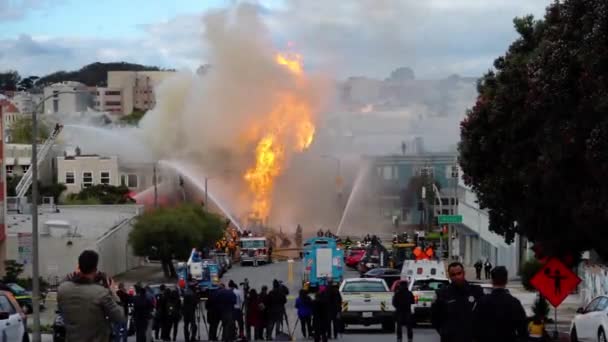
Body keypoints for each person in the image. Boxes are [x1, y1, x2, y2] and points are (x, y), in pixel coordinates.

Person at [57, 250, 125, 342]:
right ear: (95, 269)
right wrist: (113, 292)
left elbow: (61, 309)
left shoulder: (62, 290)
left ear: (79, 266)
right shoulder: (101, 293)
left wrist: (75, 277)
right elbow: (120, 317)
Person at [431, 262, 484, 342]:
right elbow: (435, 318)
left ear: (464, 273)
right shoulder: (442, 294)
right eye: (453, 275)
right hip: (450, 338)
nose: (457, 277)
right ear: (449, 276)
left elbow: (483, 315)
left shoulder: (476, 291)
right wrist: (444, 332)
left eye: (459, 273)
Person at [474, 266, 528, 342]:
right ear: (506, 280)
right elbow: (522, 329)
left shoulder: (482, 302)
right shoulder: (514, 303)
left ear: (491, 280)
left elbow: (475, 326)